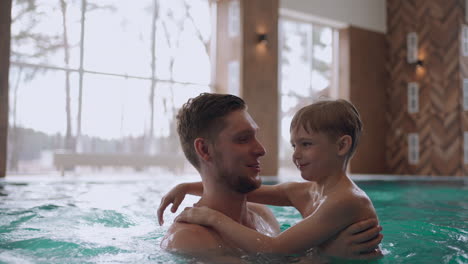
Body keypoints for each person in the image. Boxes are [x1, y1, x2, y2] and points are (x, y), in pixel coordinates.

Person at [159, 93, 383, 262]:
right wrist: (323, 258)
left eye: (306, 144)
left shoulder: (263, 216)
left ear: (342, 145)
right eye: (243, 139)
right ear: (205, 150)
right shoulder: (190, 240)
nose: (262, 149)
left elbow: (277, 250)